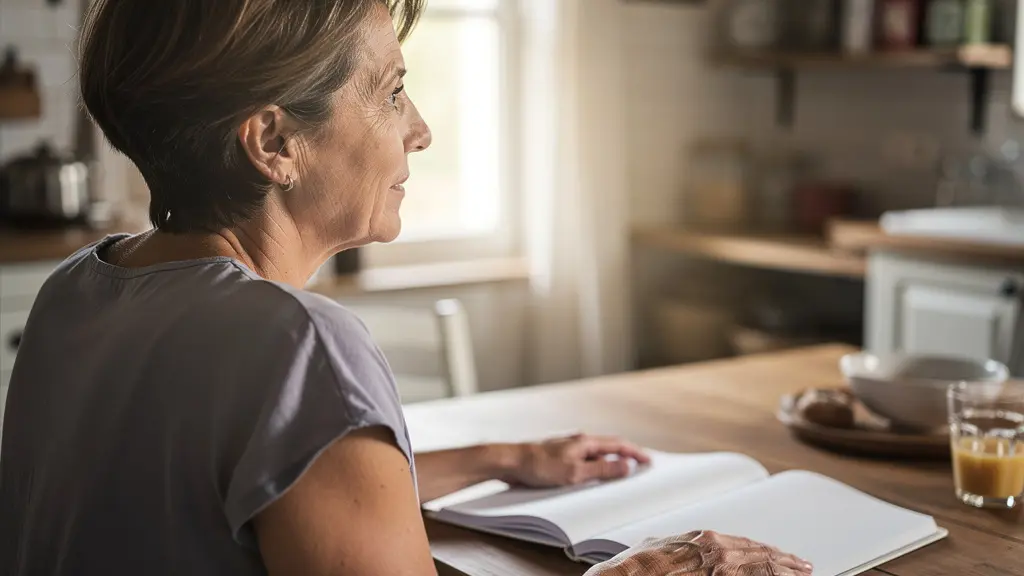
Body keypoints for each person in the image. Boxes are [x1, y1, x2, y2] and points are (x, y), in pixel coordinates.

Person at [0, 2, 812, 575]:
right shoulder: (295, 342)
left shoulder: (78, 288)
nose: (419, 127)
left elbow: (211, 492)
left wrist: (504, 458)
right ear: (275, 142)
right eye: (390, 92)